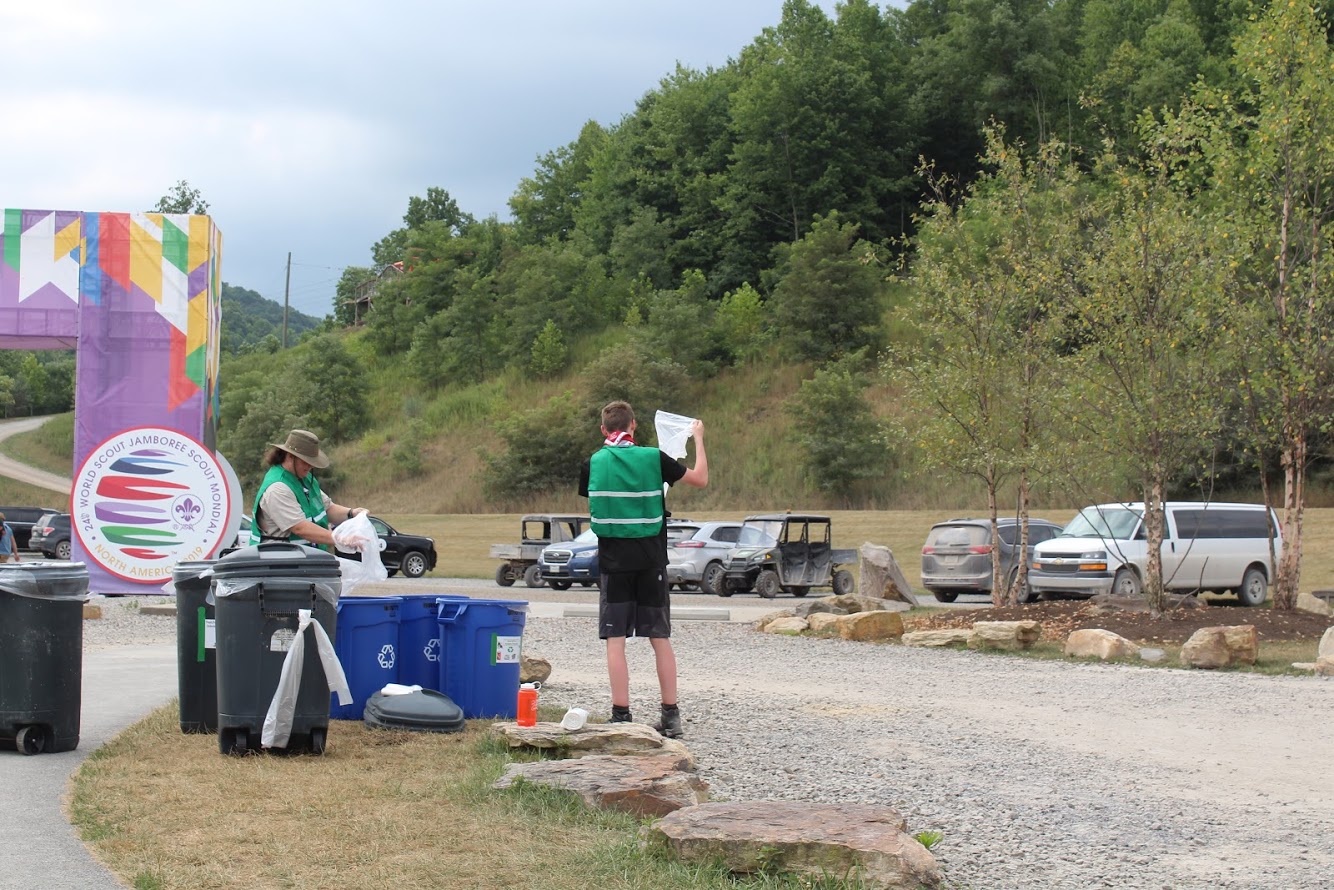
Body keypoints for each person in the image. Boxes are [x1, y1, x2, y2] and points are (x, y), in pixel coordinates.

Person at [579, 400, 707, 739]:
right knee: (659, 639)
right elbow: (700, 479)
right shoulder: (654, 458)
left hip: (613, 564)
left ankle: (621, 715)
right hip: (652, 563)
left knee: (615, 641)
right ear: (634, 425)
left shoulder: (592, 463)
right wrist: (698, 439)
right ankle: (671, 717)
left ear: (604, 430)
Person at [249, 429, 367, 550]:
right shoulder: (277, 489)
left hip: (304, 561)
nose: (310, 466)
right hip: (278, 562)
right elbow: (300, 528)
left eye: (312, 462)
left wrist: (352, 513)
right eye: (306, 461)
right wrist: (340, 539)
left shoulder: (304, 478)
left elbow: (327, 508)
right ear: (290, 456)